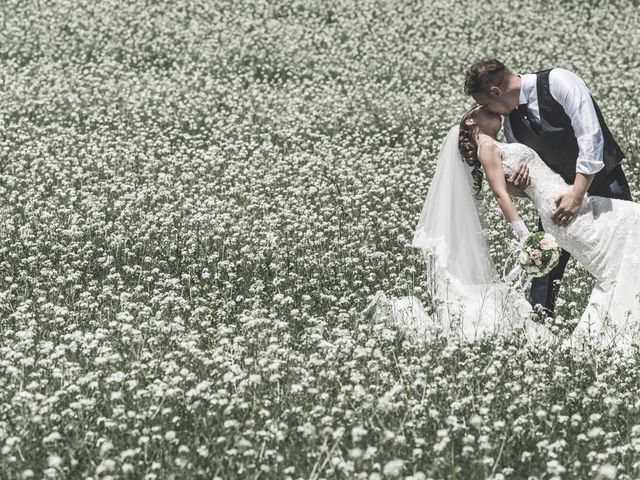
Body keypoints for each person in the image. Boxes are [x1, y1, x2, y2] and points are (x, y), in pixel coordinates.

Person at [363, 106, 640, 355]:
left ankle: (622, 318)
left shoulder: (498, 144)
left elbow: (515, 189)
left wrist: (525, 182)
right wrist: (525, 236)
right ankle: (617, 325)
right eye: (482, 109)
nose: (490, 110)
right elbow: (499, 193)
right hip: (561, 207)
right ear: (472, 121)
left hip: (562, 197)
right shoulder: (487, 148)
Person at [464, 59, 631, 318]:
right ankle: (541, 325)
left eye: (485, 104)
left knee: (627, 249)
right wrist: (520, 185)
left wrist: (577, 193)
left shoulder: (559, 81)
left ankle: (626, 314)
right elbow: (534, 175)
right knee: (545, 266)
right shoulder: (510, 124)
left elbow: (591, 136)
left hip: (604, 182)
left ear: (496, 92)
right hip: (558, 200)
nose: (487, 111)